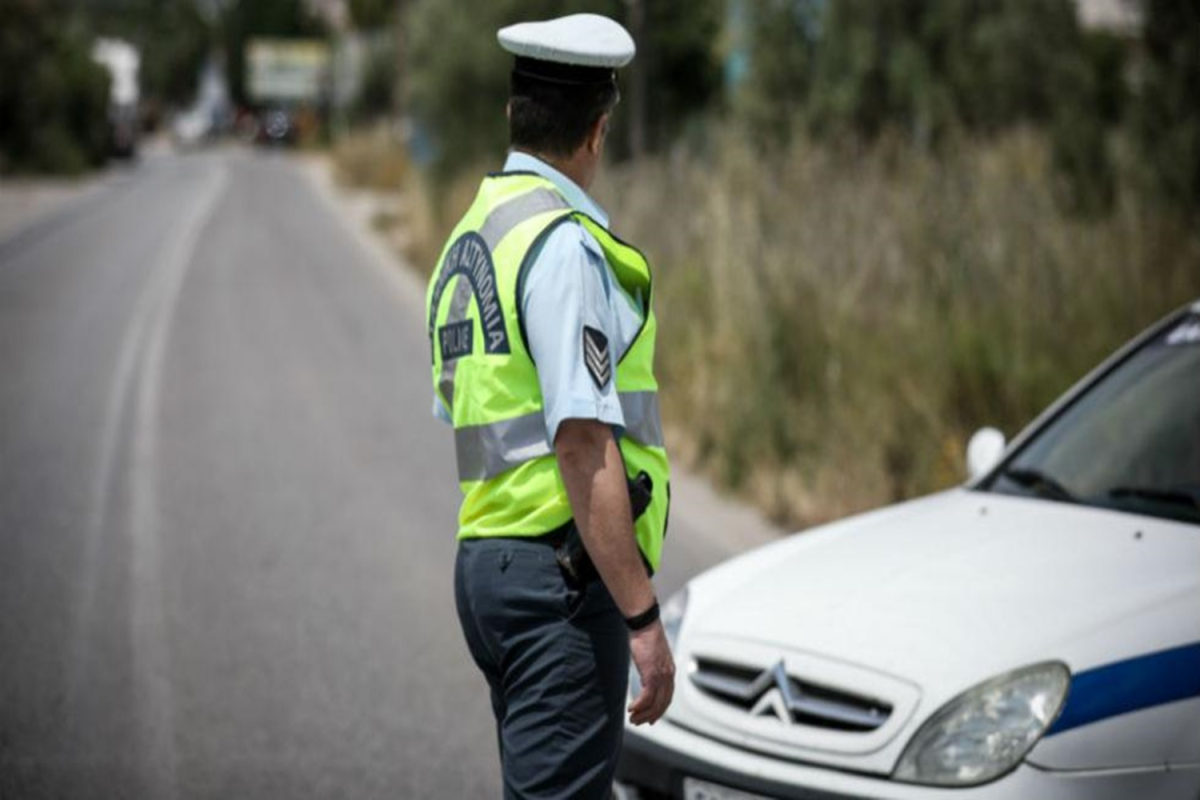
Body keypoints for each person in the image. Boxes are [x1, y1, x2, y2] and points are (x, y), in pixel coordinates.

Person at [424, 13, 675, 799]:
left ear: (513, 114)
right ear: (597, 132)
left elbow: (462, 410)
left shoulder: (470, 236)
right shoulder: (561, 246)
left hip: (488, 567)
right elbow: (579, 445)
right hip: (556, 582)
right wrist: (642, 619)